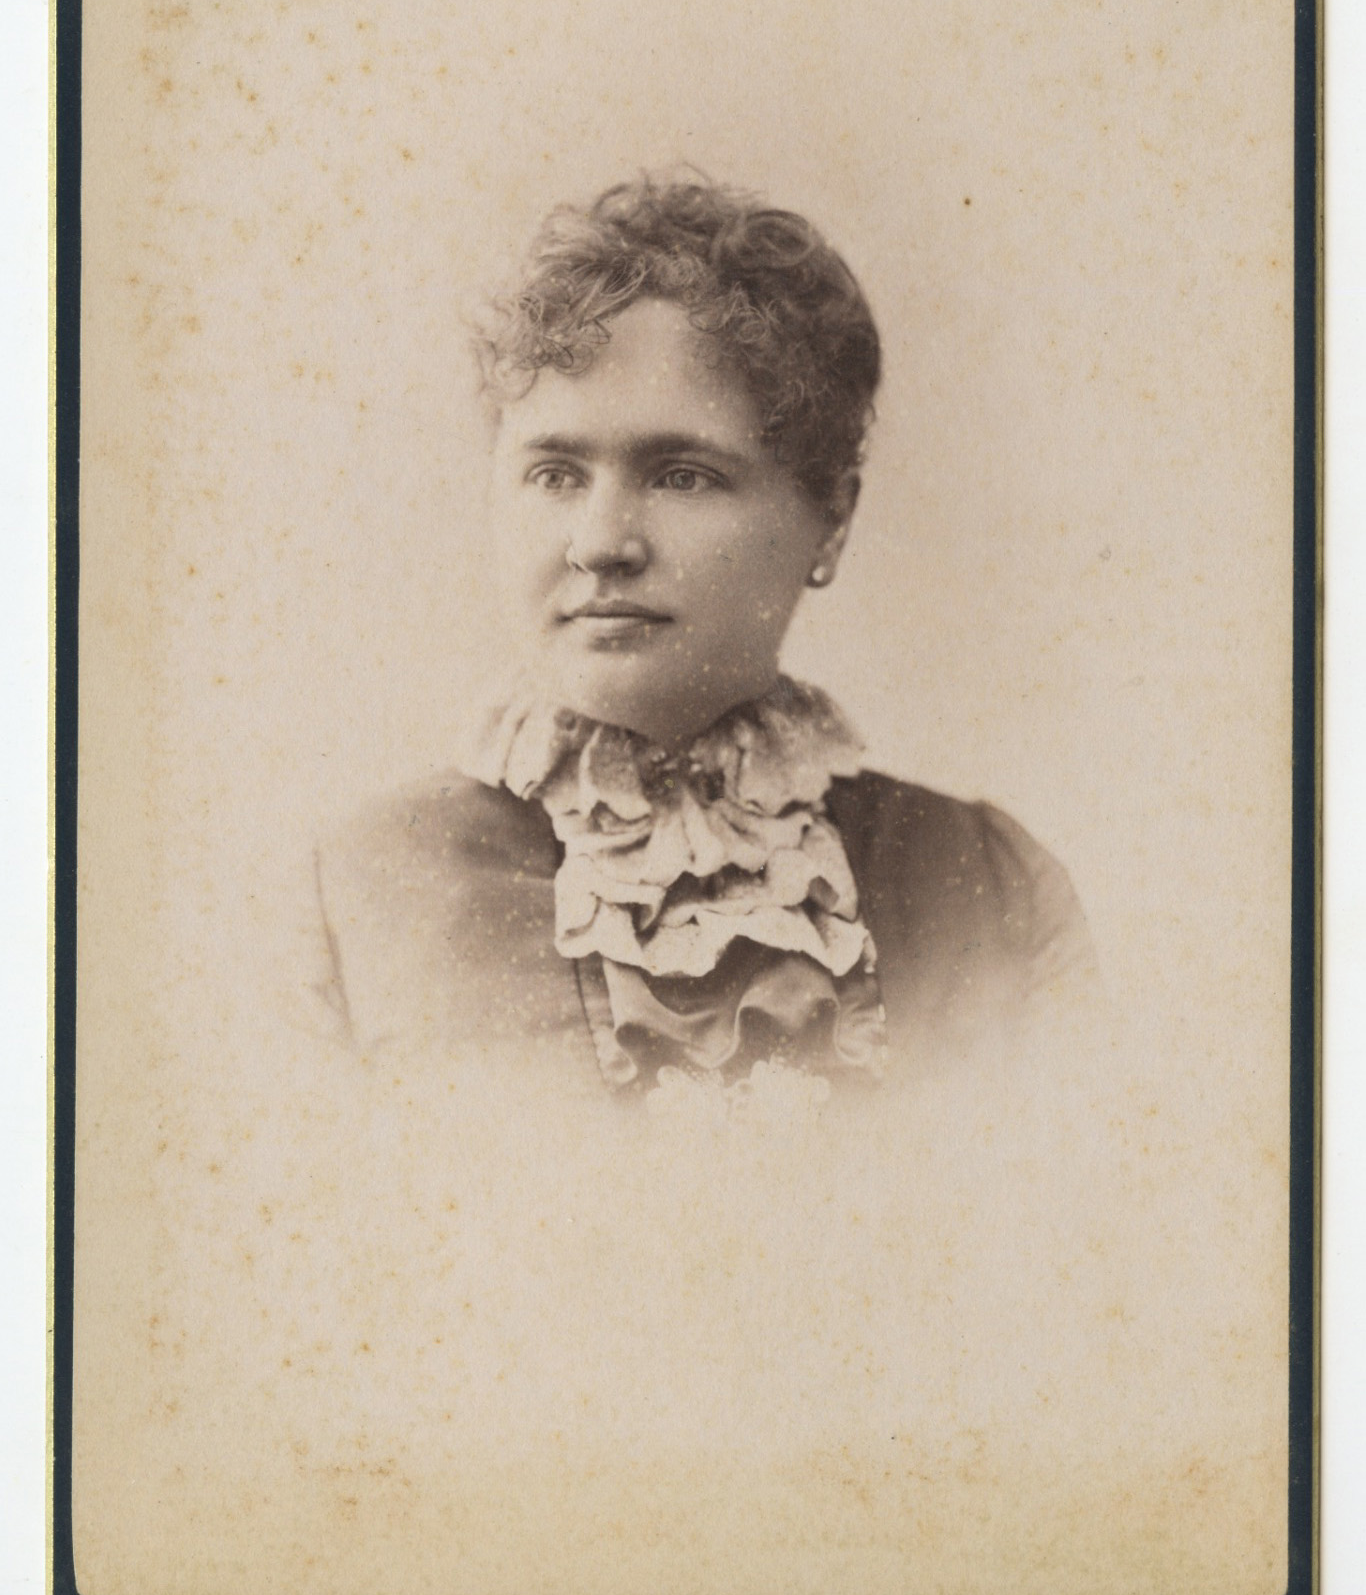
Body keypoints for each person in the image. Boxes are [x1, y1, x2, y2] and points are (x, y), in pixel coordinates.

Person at [310, 175, 1096, 1103]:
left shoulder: (994, 895)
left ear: (831, 522)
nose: (601, 544)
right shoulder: (349, 897)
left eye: (680, 476)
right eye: (555, 474)